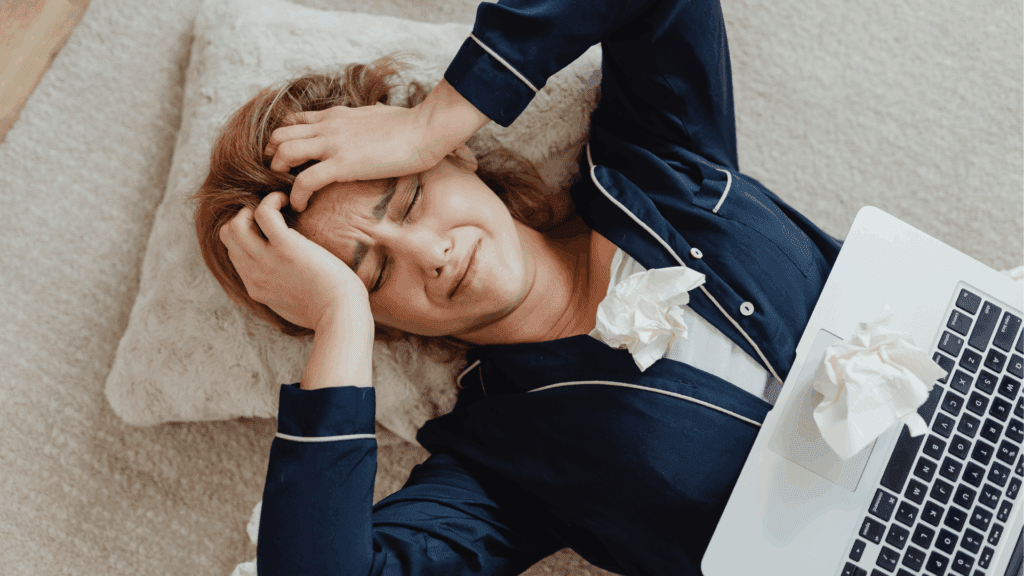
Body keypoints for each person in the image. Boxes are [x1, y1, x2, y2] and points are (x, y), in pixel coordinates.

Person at [196, 0, 846, 573]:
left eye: (412, 197)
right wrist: (339, 319)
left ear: (455, 155)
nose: (431, 253)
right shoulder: (496, 461)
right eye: (375, 274)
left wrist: (431, 120)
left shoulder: (654, 160)